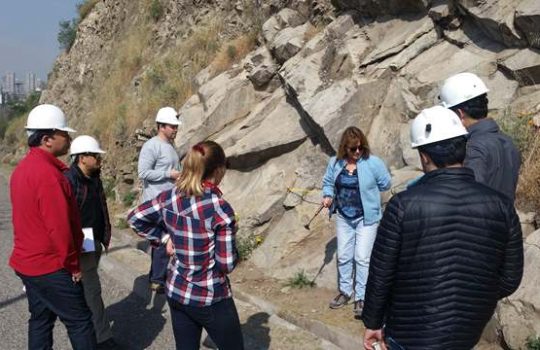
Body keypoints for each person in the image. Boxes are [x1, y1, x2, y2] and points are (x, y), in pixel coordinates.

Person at [361, 106, 524, 350]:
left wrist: (373, 321)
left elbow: (381, 273)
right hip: (467, 331)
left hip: (409, 331)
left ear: (425, 156)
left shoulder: (403, 205)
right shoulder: (501, 205)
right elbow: (510, 277)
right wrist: (472, 299)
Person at [128, 141, 244, 350]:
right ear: (218, 170)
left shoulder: (170, 196)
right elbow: (226, 264)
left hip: (177, 290)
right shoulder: (219, 208)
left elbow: (135, 218)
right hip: (210, 295)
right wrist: (236, 251)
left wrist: (164, 238)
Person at [9, 104, 97, 349]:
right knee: (79, 321)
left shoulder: (23, 170)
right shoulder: (49, 175)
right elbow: (59, 228)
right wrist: (72, 265)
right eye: (64, 134)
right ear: (47, 139)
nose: (69, 139)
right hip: (50, 265)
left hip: (28, 263)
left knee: (41, 318)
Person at [322, 126, 392, 318]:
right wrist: (327, 196)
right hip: (344, 216)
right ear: (345, 147)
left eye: (360, 148)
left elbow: (386, 183)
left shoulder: (373, 163)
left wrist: (373, 188)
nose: (357, 152)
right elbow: (328, 182)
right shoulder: (335, 163)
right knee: (344, 255)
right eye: (353, 149)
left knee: (362, 257)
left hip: (366, 218)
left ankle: (361, 297)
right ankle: (346, 291)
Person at [65, 135, 119, 350]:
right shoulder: (69, 181)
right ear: (82, 157)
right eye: (95, 155)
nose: (99, 159)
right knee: (91, 291)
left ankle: (91, 334)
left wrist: (105, 235)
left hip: (93, 239)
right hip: (81, 241)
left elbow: (102, 207)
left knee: (87, 290)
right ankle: (102, 340)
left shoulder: (94, 177)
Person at [439, 72, 521, 200]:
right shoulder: (507, 142)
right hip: (505, 217)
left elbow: (470, 197)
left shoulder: (472, 147)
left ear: (460, 114)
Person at [137, 106, 181, 293]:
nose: (175, 129)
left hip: (169, 201)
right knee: (163, 240)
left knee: (163, 241)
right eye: (172, 126)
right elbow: (143, 173)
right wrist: (168, 174)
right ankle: (157, 280)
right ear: (161, 126)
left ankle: (156, 276)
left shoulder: (171, 146)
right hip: (155, 202)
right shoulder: (151, 146)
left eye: (175, 126)